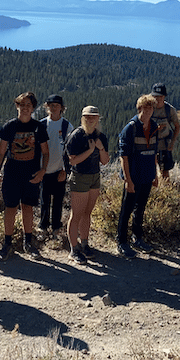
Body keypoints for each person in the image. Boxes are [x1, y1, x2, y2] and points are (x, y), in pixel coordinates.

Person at [0, 92, 49, 261]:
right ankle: (7, 243)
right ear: (17, 106)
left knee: (27, 207)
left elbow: (46, 152)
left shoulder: (39, 127)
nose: (25, 108)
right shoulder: (10, 127)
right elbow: (1, 152)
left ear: (33, 108)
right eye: (22, 105)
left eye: (29, 105)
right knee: (10, 208)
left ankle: (28, 243)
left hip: (31, 173)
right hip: (12, 174)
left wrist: (42, 171)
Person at [64, 105, 110, 264]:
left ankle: (84, 243)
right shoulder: (76, 136)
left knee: (87, 213)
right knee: (76, 214)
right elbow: (73, 160)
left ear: (98, 118)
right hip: (80, 176)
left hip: (94, 177)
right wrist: (90, 151)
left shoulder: (101, 137)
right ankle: (73, 249)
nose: (90, 119)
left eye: (93, 117)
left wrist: (100, 148)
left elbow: (104, 161)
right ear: (83, 118)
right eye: (87, 117)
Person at [115, 94, 160, 258]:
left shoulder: (154, 127)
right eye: (146, 107)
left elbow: (154, 153)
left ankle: (137, 238)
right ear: (139, 108)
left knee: (140, 209)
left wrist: (155, 175)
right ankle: (121, 241)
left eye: (151, 107)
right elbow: (123, 157)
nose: (148, 110)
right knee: (126, 210)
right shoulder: (131, 128)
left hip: (147, 175)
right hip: (133, 177)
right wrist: (128, 180)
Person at [39, 94, 71, 243]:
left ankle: (56, 229)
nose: (54, 107)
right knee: (44, 201)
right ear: (47, 107)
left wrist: (66, 170)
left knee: (58, 201)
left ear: (61, 108)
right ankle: (43, 228)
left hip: (59, 171)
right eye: (51, 105)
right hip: (44, 170)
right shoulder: (41, 125)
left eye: (56, 105)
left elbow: (71, 151)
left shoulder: (67, 126)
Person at [151, 83, 180, 181]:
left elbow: (177, 126)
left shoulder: (170, 110)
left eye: (160, 96)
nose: (158, 99)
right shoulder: (148, 108)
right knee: (149, 169)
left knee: (165, 170)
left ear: (164, 96)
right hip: (150, 143)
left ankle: (165, 190)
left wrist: (172, 142)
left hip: (164, 144)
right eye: (155, 96)